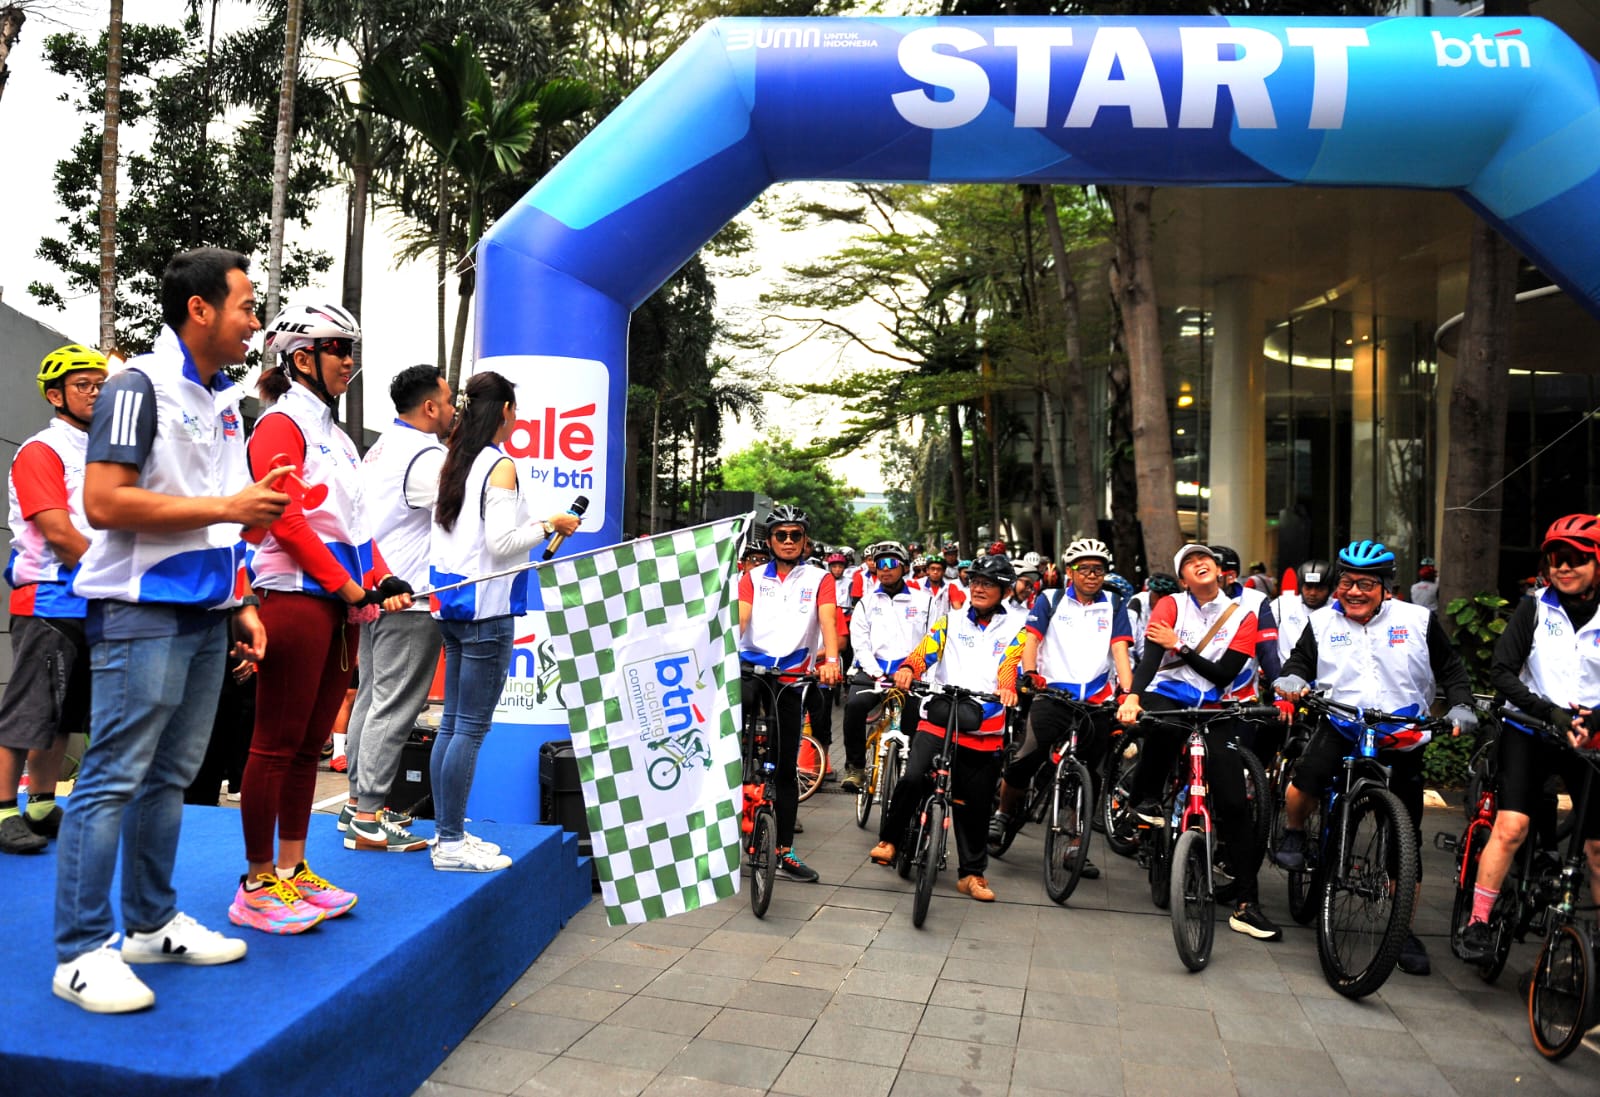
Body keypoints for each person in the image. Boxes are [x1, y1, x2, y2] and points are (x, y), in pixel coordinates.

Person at [53, 248, 289, 1013]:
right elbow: (105, 502)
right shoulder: (135, 385)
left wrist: (241, 596)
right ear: (200, 310)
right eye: (247, 305)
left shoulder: (223, 401)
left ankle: (150, 923)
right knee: (113, 776)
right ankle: (81, 951)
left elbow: (220, 506)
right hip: (140, 610)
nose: (255, 320)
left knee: (169, 777)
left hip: (205, 612)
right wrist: (230, 510)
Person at [227, 303, 409, 933]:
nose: (350, 364)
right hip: (295, 596)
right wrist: (349, 587)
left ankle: (292, 869)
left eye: (352, 352)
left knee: (307, 747)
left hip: (337, 605)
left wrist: (381, 577)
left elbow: (357, 528)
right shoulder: (280, 424)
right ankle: (254, 884)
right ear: (302, 357)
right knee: (274, 745)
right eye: (340, 351)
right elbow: (286, 518)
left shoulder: (335, 435)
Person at [1272, 539, 1475, 976]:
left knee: (1407, 836)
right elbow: (1299, 663)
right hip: (1343, 722)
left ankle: (1401, 930)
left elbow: (1453, 670)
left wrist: (1461, 705)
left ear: (1387, 588)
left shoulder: (1417, 620)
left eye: (1366, 583)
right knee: (1307, 780)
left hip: (1401, 733)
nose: (1354, 591)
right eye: (1346, 582)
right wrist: (1290, 679)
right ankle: (1293, 834)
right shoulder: (1324, 621)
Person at [430, 372, 579, 871]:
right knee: (468, 729)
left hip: (453, 604)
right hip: (486, 611)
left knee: (453, 725)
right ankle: (450, 841)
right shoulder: (499, 466)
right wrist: (549, 526)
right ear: (507, 410)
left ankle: (447, 833)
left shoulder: (458, 459)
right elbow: (501, 544)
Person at [1117, 543, 1280, 942]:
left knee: (1233, 804)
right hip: (1167, 694)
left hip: (1215, 704)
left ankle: (1246, 904)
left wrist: (1181, 644)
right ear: (1183, 578)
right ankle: (1145, 799)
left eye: (1204, 558)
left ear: (1220, 570)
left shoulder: (1243, 614)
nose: (1199, 564)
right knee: (1164, 727)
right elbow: (1153, 659)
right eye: (1189, 562)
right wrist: (1134, 697)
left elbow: (1224, 674)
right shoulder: (1170, 604)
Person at [1459, 516, 1600, 961]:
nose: (1564, 567)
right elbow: (1502, 670)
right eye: (1556, 559)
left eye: (1577, 559)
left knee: (1597, 846)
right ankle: (1478, 921)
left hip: (1588, 738)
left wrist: (1593, 721)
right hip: (1530, 729)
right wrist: (1550, 712)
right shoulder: (1534, 607)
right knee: (1512, 826)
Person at [338, 364, 455, 853]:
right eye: (449, 402)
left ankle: (357, 807)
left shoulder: (383, 446)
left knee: (371, 697)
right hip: (409, 595)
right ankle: (369, 815)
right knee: (393, 704)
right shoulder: (427, 455)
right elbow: (465, 511)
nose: (452, 411)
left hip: (378, 589)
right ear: (429, 407)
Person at [0, 346, 107, 855]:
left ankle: (41, 804)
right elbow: (58, 531)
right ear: (55, 393)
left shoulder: (99, 451)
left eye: (100, 384)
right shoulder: (43, 449)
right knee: (27, 712)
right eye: (83, 385)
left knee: (65, 715)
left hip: (88, 599)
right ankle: (2, 810)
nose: (94, 393)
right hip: (48, 597)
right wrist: (117, 576)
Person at [868, 554, 1024, 901]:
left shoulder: (1018, 626)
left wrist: (1008, 687)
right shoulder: (949, 620)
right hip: (940, 714)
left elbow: (1011, 663)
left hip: (984, 725)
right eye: (976, 582)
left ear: (1003, 590)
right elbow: (926, 651)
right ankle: (890, 839)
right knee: (912, 778)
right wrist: (910, 668)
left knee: (976, 804)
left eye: (989, 584)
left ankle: (971, 875)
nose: (980, 588)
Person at [991, 538, 1132, 872]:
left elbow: (1120, 651)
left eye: (1098, 570)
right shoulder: (1050, 600)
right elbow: (1032, 640)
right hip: (1052, 695)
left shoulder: (1113, 605)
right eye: (1085, 569)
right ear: (1071, 572)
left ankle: (1075, 845)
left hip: (1096, 702)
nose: (1092, 576)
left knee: (1091, 776)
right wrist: (1030, 673)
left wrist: (1128, 692)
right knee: (1025, 759)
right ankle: (1002, 814)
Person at [737, 505, 842, 880]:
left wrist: (831, 660)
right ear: (769, 540)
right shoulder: (750, 578)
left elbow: (828, 620)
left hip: (793, 674)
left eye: (794, 535)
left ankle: (784, 851)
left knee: (784, 766)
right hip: (751, 666)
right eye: (780, 535)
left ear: (804, 541)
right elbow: (742, 618)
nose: (787, 541)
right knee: (740, 706)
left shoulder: (819, 578)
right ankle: (738, 769)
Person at [840, 542, 932, 792]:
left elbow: (932, 641)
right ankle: (855, 767)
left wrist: (919, 673)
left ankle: (914, 773)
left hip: (912, 674)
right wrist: (876, 673)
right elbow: (860, 644)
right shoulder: (866, 602)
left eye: (892, 564)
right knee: (854, 707)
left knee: (916, 719)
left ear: (903, 567)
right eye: (880, 564)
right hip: (873, 672)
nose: (885, 569)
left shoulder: (926, 601)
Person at [1272, 558, 1332, 664]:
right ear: (1301, 586)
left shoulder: (1338, 610)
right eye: (1308, 587)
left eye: (1320, 588)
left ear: (1330, 589)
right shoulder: (1282, 605)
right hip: (1285, 675)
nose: (1313, 593)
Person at [1126, 573, 1179, 661]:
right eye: (1157, 596)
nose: (1160, 601)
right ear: (1151, 592)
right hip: (1134, 653)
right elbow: (1129, 637)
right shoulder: (1136, 603)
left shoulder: (1172, 605)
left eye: (1165, 597)